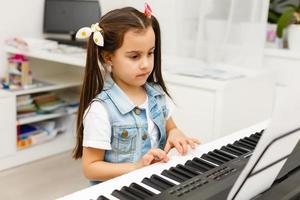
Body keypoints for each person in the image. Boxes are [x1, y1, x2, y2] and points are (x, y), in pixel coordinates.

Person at [73, 4, 200, 185]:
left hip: (152, 183)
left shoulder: (156, 95)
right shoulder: (100, 110)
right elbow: (90, 168)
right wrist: (136, 167)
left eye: (150, 53)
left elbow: (171, 127)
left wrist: (176, 135)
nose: (146, 64)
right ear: (109, 58)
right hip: (119, 190)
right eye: (134, 56)